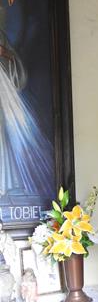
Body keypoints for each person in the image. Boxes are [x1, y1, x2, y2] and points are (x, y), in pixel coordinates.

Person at [0, 29, 53, 200]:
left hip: (4, 95)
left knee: (4, 138)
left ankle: (7, 183)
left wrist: (5, 54)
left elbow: (15, 66)